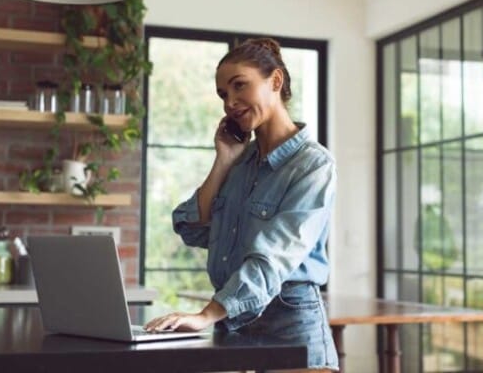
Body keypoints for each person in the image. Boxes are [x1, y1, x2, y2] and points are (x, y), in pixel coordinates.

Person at [144, 38, 338, 372]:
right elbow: (191, 227)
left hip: (290, 327)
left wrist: (207, 314)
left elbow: (274, 255)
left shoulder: (313, 166)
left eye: (239, 86)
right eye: (223, 94)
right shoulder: (240, 161)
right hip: (235, 326)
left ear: (275, 81)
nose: (230, 103)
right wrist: (224, 161)